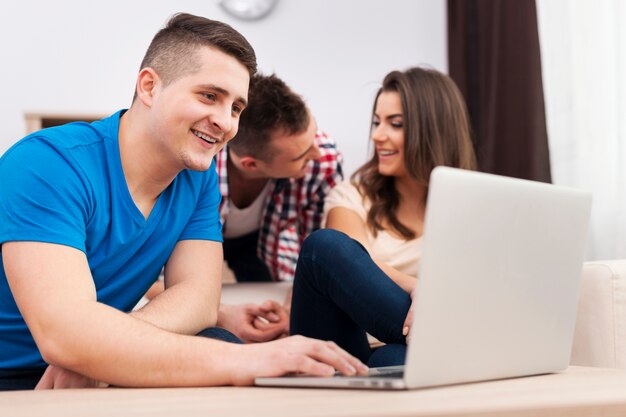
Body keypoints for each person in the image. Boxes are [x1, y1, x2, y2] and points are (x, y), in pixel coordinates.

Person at [0, 13, 366, 391]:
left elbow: (199, 301)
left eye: (236, 108)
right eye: (209, 96)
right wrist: (254, 358)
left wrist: (99, 353)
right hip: (11, 379)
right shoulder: (46, 164)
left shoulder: (197, 177)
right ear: (149, 87)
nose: (225, 122)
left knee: (217, 339)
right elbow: (63, 334)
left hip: (86, 371)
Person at [289, 66, 478, 367]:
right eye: (377, 122)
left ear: (433, 130)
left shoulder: (471, 210)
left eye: (396, 124)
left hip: (403, 354)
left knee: (393, 359)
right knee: (323, 246)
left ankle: (444, 346)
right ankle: (455, 345)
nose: (377, 135)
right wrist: (418, 287)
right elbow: (347, 259)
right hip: (341, 345)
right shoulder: (351, 196)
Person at [147, 73, 343, 343]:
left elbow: (316, 256)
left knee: (269, 315)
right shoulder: (192, 168)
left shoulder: (323, 161)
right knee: (190, 320)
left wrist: (293, 308)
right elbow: (152, 279)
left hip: (262, 241)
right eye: (302, 155)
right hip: (186, 239)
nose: (317, 154)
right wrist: (219, 314)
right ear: (251, 165)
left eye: (313, 139)